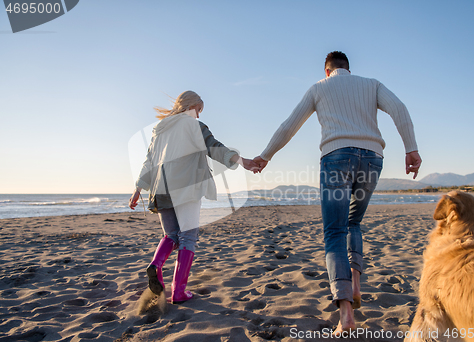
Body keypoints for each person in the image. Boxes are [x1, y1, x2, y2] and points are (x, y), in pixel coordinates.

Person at [253, 52, 421, 333]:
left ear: (327, 70)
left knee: (334, 232)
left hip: (336, 157)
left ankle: (346, 315)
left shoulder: (319, 87)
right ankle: (355, 283)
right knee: (353, 224)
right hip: (372, 158)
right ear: (348, 69)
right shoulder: (372, 84)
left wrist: (265, 155)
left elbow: (289, 126)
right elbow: (400, 109)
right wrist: (411, 148)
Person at [129, 90, 260, 303]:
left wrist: (138, 189)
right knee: (188, 237)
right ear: (190, 106)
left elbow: (149, 161)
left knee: (171, 235)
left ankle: (155, 265)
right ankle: (178, 292)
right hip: (186, 185)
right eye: (198, 110)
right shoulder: (194, 126)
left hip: (160, 187)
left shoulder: (159, 130)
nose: (198, 115)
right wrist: (243, 161)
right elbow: (214, 148)